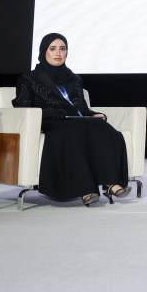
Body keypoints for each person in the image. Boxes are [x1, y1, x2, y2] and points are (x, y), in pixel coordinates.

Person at [13, 33, 131, 206]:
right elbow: (23, 107)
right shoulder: (29, 78)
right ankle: (86, 190)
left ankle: (111, 183)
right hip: (51, 122)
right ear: (44, 51)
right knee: (74, 132)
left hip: (75, 120)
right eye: (52, 49)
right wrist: (34, 124)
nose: (58, 53)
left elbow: (81, 107)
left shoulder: (74, 78)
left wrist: (93, 114)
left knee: (107, 130)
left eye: (62, 49)